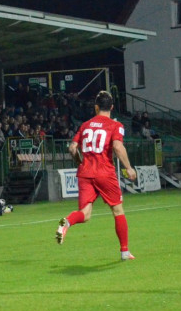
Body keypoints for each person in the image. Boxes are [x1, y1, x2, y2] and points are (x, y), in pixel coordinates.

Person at [56, 90, 138, 260]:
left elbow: (72, 148)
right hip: (104, 172)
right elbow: (117, 147)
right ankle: (124, 251)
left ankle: (67, 222)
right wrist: (129, 167)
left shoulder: (85, 125)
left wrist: (80, 162)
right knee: (117, 210)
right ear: (112, 107)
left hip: (85, 173)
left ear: (96, 107)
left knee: (85, 214)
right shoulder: (115, 126)